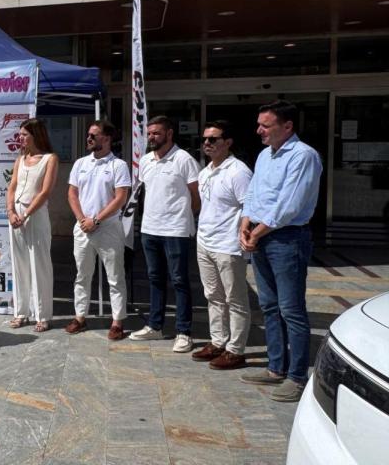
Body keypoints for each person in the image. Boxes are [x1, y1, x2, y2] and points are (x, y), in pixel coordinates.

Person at [239, 100, 322, 402]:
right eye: (259, 124)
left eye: (265, 125)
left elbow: (289, 205)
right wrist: (245, 224)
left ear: (287, 126)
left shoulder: (303, 156)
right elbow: (254, 193)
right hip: (261, 236)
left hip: (287, 239)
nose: (258, 130)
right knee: (270, 307)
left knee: (291, 309)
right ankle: (276, 367)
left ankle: (297, 376)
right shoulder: (264, 156)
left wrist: (256, 233)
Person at [129, 115, 200, 353]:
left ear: (169, 134)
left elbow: (196, 197)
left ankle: (183, 332)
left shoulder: (184, 159)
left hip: (176, 230)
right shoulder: (146, 161)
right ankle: (155, 326)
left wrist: (184, 218)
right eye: (149, 133)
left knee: (179, 281)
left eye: (157, 133)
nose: (151, 137)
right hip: (150, 229)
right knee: (155, 279)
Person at [193, 121, 253, 370]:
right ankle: (218, 341)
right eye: (205, 139)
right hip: (205, 242)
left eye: (213, 139)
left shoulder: (238, 171)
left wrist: (244, 234)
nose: (207, 143)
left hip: (228, 246)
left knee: (235, 299)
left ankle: (236, 350)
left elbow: (249, 207)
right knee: (213, 296)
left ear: (227, 142)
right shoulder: (205, 171)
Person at [64, 120, 130, 340]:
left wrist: (97, 220)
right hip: (83, 227)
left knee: (115, 276)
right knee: (82, 275)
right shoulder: (80, 163)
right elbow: (72, 193)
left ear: (107, 138)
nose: (89, 138)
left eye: (94, 135)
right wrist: (82, 219)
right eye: (89, 135)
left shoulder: (118, 165)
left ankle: (117, 321)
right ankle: (80, 317)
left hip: (108, 228)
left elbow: (121, 197)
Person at [6, 118, 59, 333]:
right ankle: (21, 312)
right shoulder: (20, 159)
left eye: (24, 134)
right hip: (16, 215)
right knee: (19, 265)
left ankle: (42, 315)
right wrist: (10, 212)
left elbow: (45, 191)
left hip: (35, 215)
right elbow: (11, 187)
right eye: (20, 134)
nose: (21, 138)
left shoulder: (50, 159)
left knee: (40, 264)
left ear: (36, 135)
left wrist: (26, 213)